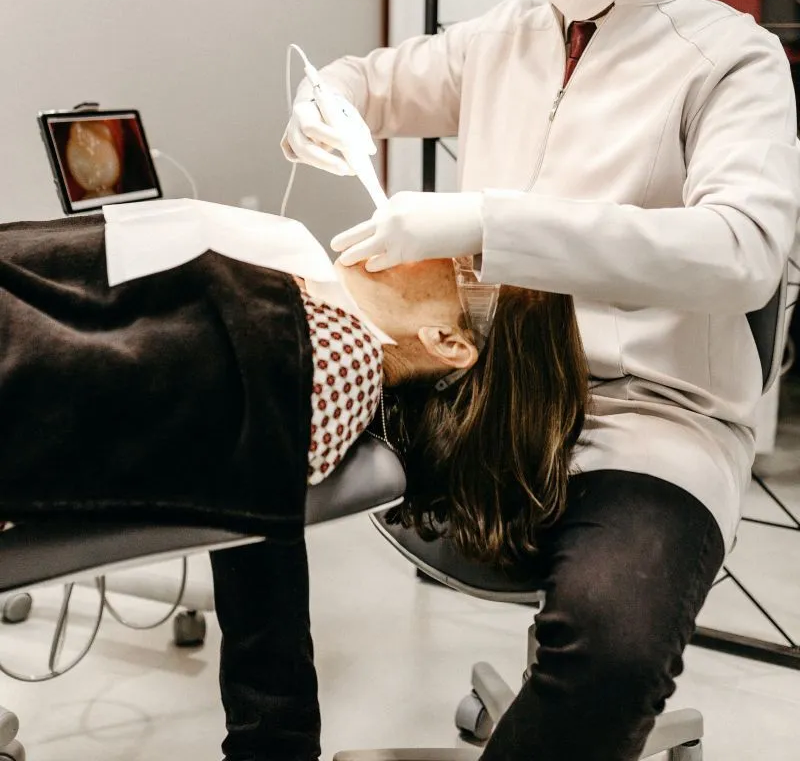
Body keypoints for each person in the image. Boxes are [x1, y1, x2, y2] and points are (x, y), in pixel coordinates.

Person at [283, 0, 800, 761]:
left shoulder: (730, 61)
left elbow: (739, 251)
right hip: (480, 396)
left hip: (647, 421)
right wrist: (330, 101)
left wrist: (486, 221)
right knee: (246, 442)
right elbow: (371, 82)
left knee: (607, 646)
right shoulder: (504, 41)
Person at [0, 207, 586, 758]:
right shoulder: (304, 312)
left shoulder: (326, 359)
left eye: (455, 258)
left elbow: (58, 373)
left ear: (447, 342)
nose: (415, 235)